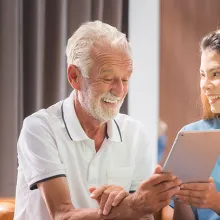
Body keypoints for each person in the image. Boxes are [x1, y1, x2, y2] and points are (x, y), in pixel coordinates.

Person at [14, 20, 181, 220]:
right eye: (108, 78)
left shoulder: (135, 134)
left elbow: (142, 216)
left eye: (125, 79)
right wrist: (133, 206)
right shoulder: (39, 128)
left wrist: (129, 204)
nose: (119, 91)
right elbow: (62, 215)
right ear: (74, 76)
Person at [162, 29, 220, 220]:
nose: (205, 84)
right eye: (202, 75)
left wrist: (215, 202)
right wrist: (181, 198)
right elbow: (172, 215)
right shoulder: (191, 135)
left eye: (215, 73)